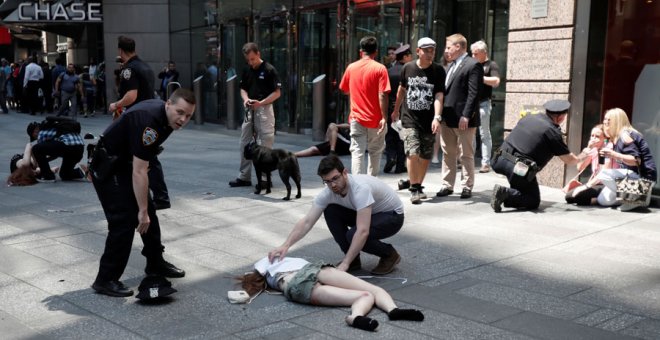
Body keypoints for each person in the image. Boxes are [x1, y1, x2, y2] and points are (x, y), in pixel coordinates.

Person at [89, 88, 195, 297]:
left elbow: (145, 160)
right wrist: (142, 211)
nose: (183, 119)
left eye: (189, 116)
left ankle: (155, 263)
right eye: (180, 112)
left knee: (149, 216)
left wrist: (147, 208)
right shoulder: (151, 123)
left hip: (125, 164)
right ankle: (105, 279)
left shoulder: (165, 118)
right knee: (124, 220)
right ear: (168, 104)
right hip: (110, 168)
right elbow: (139, 171)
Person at [269, 156, 404, 275]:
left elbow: (362, 231)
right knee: (330, 210)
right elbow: (307, 221)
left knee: (354, 235)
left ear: (344, 173)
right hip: (368, 212)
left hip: (392, 216)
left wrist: (344, 264)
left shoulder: (360, 189)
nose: (332, 185)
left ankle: (389, 255)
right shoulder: (328, 193)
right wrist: (285, 245)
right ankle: (353, 260)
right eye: (327, 181)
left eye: (335, 178)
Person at [237, 256, 424, 332]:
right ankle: (391, 310)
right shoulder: (266, 262)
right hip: (315, 269)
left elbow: (252, 277)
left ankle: (356, 318)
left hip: (295, 285)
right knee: (371, 290)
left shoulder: (266, 275)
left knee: (364, 295)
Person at [490, 99, 591, 212]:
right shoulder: (552, 132)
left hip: (498, 159)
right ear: (561, 117)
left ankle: (511, 193)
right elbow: (569, 160)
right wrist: (583, 155)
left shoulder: (529, 117)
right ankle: (505, 193)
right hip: (518, 169)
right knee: (532, 200)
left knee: (522, 185)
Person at [111, 35, 171, 210]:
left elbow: (131, 96)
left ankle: (159, 197)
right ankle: (153, 195)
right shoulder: (144, 66)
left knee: (146, 157)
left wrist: (115, 105)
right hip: (149, 115)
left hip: (138, 119)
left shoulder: (129, 69)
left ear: (120, 50)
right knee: (144, 156)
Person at [391, 37, 446, 204]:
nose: (430, 53)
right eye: (426, 50)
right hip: (410, 119)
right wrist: (395, 110)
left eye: (433, 50)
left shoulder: (438, 71)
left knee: (425, 156)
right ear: (418, 51)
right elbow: (402, 90)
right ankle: (414, 188)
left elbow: (439, 95)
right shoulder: (408, 68)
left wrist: (437, 117)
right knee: (412, 152)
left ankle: (417, 184)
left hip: (428, 120)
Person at [437, 34, 484, 199]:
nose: (446, 51)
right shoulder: (450, 65)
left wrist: (466, 115)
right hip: (447, 118)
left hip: (464, 119)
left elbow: (474, 93)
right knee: (448, 152)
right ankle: (447, 185)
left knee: (466, 154)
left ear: (458, 47)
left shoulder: (473, 65)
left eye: (448, 47)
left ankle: (466, 186)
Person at [229, 42, 282, 188]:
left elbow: (277, 93)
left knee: (265, 143)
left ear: (258, 54)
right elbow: (243, 89)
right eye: (248, 60)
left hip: (264, 109)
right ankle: (244, 176)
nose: (251, 62)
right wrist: (246, 99)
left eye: (252, 59)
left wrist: (262, 102)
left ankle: (265, 179)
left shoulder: (270, 70)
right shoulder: (247, 69)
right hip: (250, 109)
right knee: (244, 142)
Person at [339, 36, 391, 176]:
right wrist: (384, 117)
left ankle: (358, 184)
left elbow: (344, 89)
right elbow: (383, 94)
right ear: (376, 52)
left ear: (361, 51)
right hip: (376, 119)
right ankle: (371, 183)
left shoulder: (351, 68)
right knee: (375, 152)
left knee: (357, 152)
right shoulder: (380, 69)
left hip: (356, 117)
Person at [594, 108, 657, 211]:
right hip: (633, 178)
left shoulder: (625, 135)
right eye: (604, 119)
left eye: (608, 120)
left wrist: (614, 154)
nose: (605, 122)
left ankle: (638, 197)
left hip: (644, 178)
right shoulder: (617, 137)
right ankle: (637, 198)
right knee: (603, 200)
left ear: (617, 121)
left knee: (604, 174)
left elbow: (636, 161)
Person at [470, 40, 500, 173]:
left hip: (483, 103)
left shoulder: (491, 65)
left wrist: (480, 78)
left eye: (475, 53)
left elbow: (496, 81)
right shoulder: (472, 64)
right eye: (472, 53)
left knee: (484, 134)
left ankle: (485, 162)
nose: (473, 56)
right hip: (471, 103)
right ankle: (468, 160)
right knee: (470, 133)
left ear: (483, 52)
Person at [27, 118, 86, 182]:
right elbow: (55, 152)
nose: (35, 138)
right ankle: (83, 172)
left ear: (35, 131)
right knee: (64, 174)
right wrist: (45, 160)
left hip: (68, 146)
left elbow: (39, 151)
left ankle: (48, 176)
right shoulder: (54, 126)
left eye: (33, 136)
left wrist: (37, 164)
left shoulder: (41, 133)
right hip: (79, 149)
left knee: (36, 148)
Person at [384, 44, 412, 174]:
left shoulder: (388, 72)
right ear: (405, 57)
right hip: (405, 109)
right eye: (410, 56)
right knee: (402, 136)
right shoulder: (409, 71)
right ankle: (400, 165)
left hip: (390, 107)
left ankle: (390, 156)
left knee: (390, 134)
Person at [564, 124, 610, 206]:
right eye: (592, 136)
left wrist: (587, 186)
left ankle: (598, 200)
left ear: (605, 138)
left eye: (597, 136)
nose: (593, 138)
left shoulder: (608, 150)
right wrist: (588, 149)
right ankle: (601, 199)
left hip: (606, 185)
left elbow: (604, 173)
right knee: (569, 197)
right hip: (595, 184)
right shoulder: (593, 150)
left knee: (578, 197)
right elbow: (580, 167)